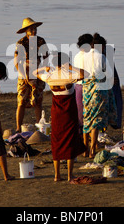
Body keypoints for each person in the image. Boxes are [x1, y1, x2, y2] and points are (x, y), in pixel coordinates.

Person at [33, 52, 87, 181]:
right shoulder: (68, 75)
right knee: (70, 140)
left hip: (56, 111)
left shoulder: (49, 75)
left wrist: (44, 68)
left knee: (56, 140)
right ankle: (69, 175)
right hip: (69, 112)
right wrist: (71, 67)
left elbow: (34, 73)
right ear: (65, 63)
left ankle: (57, 175)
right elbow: (84, 74)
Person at [82, 33, 117, 158]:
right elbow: (109, 74)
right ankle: (92, 149)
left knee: (87, 118)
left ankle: (85, 147)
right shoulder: (101, 57)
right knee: (96, 119)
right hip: (99, 89)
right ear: (100, 46)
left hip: (86, 89)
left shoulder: (83, 56)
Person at [14, 17, 49, 132]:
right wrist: (25, 76)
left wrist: (43, 71)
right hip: (24, 72)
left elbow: (46, 58)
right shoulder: (20, 43)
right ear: (26, 31)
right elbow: (16, 62)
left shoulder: (41, 41)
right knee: (21, 101)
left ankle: (40, 127)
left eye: (35, 29)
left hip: (39, 72)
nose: (34, 31)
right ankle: (19, 127)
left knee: (38, 101)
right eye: (31, 30)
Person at [73, 33, 93, 130]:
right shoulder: (90, 56)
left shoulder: (77, 56)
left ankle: (81, 132)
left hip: (78, 85)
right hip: (87, 85)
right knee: (89, 110)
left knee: (80, 110)